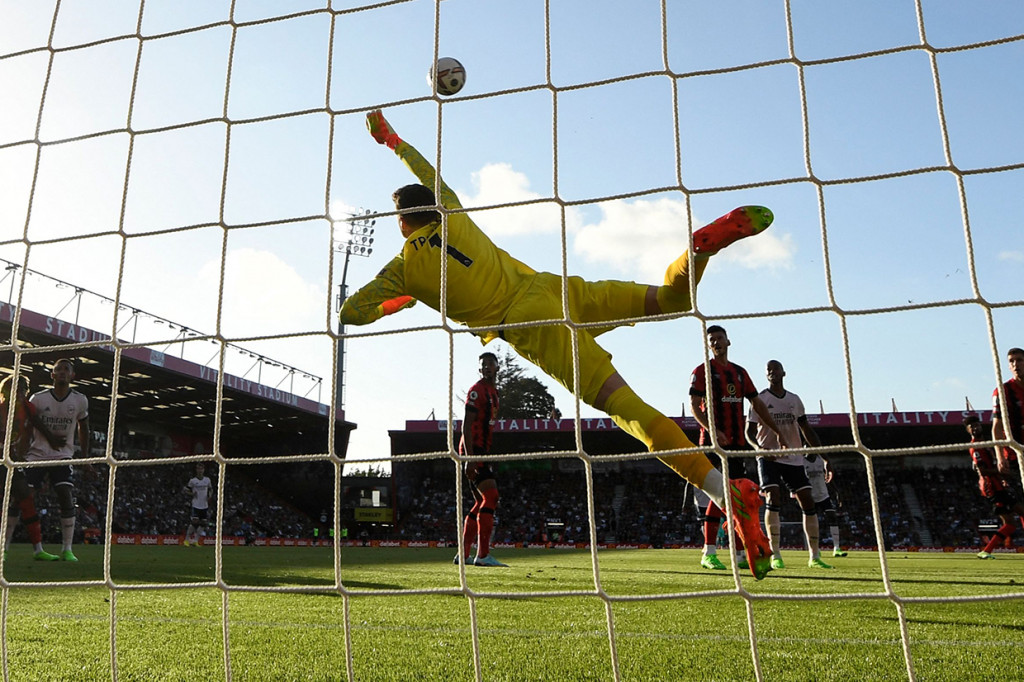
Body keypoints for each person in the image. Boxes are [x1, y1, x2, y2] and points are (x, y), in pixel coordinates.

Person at [342, 110, 776, 579]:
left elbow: (352, 314)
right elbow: (428, 172)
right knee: (670, 299)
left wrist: (406, 299)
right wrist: (392, 140)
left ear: (402, 224)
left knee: (625, 407)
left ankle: (726, 494)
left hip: (530, 325)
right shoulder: (451, 211)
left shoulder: (402, 270)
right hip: (553, 288)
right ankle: (696, 250)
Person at [689, 326, 782, 576]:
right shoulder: (703, 371)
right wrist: (711, 429)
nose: (716, 342)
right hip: (712, 443)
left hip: (738, 443)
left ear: (728, 341)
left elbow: (758, 403)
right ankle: (709, 553)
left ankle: (741, 554)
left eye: (719, 338)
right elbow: (695, 405)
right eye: (712, 340)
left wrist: (777, 431)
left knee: (736, 497)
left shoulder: (740, 373)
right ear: (709, 346)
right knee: (721, 493)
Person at [746, 360, 832, 569]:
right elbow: (748, 432)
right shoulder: (760, 400)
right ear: (766, 376)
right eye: (768, 370)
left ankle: (815, 556)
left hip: (793, 457)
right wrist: (758, 448)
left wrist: (824, 457)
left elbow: (806, 430)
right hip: (769, 457)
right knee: (773, 496)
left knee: (808, 502)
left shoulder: (794, 400)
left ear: (783, 372)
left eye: (776, 368)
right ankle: (775, 554)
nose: (772, 372)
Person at [25, 358, 90, 562]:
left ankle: (67, 549)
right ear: (52, 375)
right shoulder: (38, 398)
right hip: (36, 454)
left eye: (66, 370)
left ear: (72, 376)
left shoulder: (80, 400)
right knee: (23, 497)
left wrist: (85, 458)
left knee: (65, 492)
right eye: (58, 370)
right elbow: (29, 422)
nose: (62, 372)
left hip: (63, 455)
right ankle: (20, 548)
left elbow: (84, 428)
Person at [455, 351, 507, 567]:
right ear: (480, 369)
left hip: (481, 450)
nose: (486, 367)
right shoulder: (477, 391)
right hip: (473, 449)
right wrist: (470, 458)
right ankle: (483, 555)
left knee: (480, 501)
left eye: (490, 364)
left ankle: (464, 554)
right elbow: (466, 424)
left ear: (497, 367)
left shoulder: (493, 392)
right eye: (483, 365)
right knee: (491, 496)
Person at [0, 374, 60, 561]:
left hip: (11, 461)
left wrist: (52, 439)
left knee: (26, 498)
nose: (19, 392)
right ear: (5, 391)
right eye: (15, 389)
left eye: (23, 389)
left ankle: (38, 550)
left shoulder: (27, 407)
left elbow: (38, 424)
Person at [964, 414, 1024, 559]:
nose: (976, 428)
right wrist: (1002, 471)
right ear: (968, 430)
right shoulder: (976, 448)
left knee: (1010, 523)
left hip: (997, 486)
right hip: (993, 488)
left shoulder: (984, 444)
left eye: (977, 425)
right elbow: (983, 470)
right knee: (1019, 514)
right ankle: (986, 551)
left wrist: (1003, 476)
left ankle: (986, 551)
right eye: (972, 427)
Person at [802, 454, 846, 557]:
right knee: (812, 523)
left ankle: (836, 548)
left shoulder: (821, 461)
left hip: (824, 495)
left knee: (832, 517)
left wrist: (837, 492)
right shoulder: (802, 461)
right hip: (810, 497)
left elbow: (828, 478)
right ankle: (815, 548)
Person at [991, 347, 1024, 475]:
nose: (1015, 364)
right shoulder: (1002, 391)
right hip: (1014, 455)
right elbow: (997, 427)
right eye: (1011, 361)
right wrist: (1000, 457)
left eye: (1020, 360)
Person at [182, 462, 214, 547]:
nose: (200, 470)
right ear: (196, 470)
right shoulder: (193, 481)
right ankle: (186, 540)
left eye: (201, 469)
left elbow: (211, 489)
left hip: (204, 505)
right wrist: (192, 494)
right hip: (196, 505)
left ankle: (196, 541)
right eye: (198, 469)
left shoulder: (207, 480)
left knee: (203, 523)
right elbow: (185, 490)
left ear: (204, 470)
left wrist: (210, 495)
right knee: (194, 522)